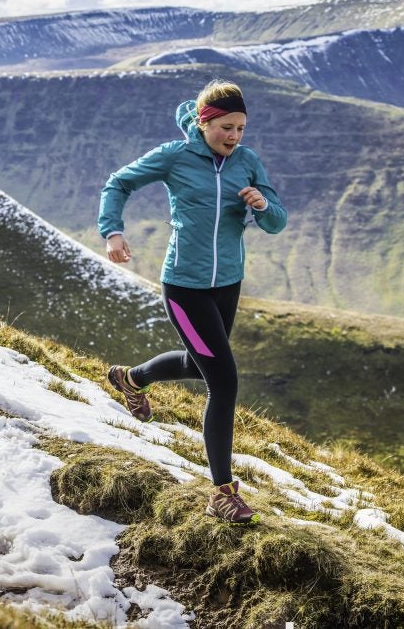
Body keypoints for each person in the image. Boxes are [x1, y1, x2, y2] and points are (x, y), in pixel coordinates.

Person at [95, 80, 286, 525]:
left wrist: (262, 205)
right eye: (225, 127)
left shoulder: (247, 162)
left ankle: (131, 378)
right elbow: (118, 183)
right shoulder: (175, 156)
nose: (234, 136)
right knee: (223, 382)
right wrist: (113, 231)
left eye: (240, 128)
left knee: (197, 363)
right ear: (204, 123)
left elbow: (277, 221)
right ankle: (222, 492)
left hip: (228, 284)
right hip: (185, 286)